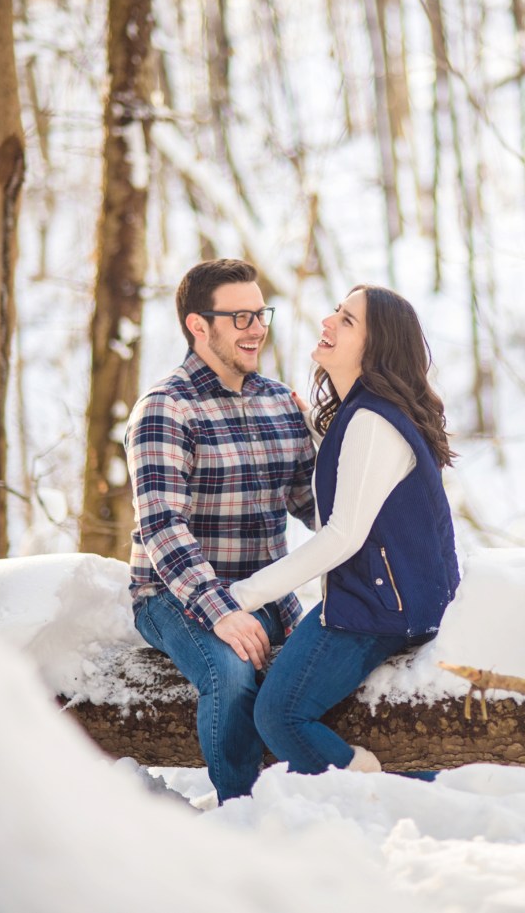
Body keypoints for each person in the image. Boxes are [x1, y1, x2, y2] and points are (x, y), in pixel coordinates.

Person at [230, 285, 460, 777]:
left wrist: (242, 597)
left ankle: (372, 789)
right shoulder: (363, 415)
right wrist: (313, 424)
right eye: (337, 311)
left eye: (348, 320)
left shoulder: (372, 422)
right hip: (392, 600)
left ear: (375, 348)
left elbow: (342, 536)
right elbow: (358, 483)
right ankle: (406, 789)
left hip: (376, 609)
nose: (328, 322)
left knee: (279, 715)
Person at [124, 258, 315, 802]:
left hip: (266, 594)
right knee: (232, 677)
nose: (257, 329)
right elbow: (163, 527)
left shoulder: (279, 401)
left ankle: (323, 804)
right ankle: (243, 815)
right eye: (240, 317)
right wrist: (222, 611)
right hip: (176, 596)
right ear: (198, 326)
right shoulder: (165, 408)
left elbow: (315, 505)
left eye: (261, 313)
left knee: (327, 667)